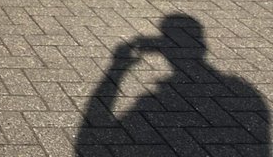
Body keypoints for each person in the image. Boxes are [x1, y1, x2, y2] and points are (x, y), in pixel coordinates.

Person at [76, 13, 270, 155]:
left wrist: (117, 68)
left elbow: (89, 141)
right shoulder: (245, 93)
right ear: (201, 44)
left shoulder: (151, 102)